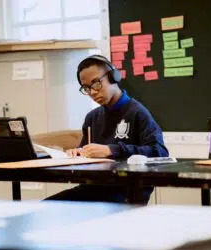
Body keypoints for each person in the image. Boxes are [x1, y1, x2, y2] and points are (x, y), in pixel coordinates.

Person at [45, 55, 169, 204]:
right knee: (45, 208)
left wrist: (112, 150)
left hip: (126, 192)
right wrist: (77, 154)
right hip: (93, 189)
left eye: (96, 84)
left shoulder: (137, 112)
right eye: (86, 88)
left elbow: (159, 153)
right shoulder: (92, 117)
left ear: (113, 77)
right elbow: (86, 154)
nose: (92, 92)